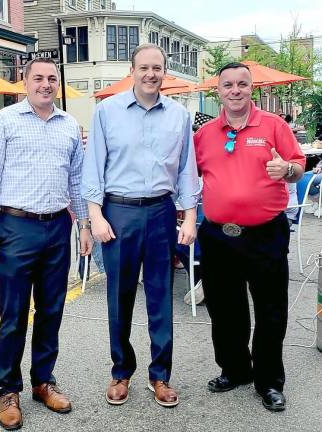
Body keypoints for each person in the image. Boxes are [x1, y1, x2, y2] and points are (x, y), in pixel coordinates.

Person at [0, 57, 92, 430]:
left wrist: (84, 225)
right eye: (38, 78)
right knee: (13, 315)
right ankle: (8, 390)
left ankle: (43, 380)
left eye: (51, 78)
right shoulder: (4, 121)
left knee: (51, 310)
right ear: (23, 82)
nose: (45, 84)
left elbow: (76, 181)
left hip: (58, 227)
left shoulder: (69, 125)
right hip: (16, 226)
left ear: (57, 84)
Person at [81, 43, 200, 408]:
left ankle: (160, 375)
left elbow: (186, 170)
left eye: (157, 68)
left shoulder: (179, 116)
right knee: (120, 297)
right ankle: (121, 370)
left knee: (161, 295)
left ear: (165, 72)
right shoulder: (107, 111)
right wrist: (96, 215)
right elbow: (93, 166)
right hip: (118, 212)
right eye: (144, 67)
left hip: (162, 212)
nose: (151, 74)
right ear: (131, 71)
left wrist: (190, 216)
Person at [194, 62, 305, 412]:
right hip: (217, 236)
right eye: (228, 85)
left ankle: (269, 381)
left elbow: (299, 165)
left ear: (251, 88)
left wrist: (287, 170)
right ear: (219, 91)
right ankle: (236, 369)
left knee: (271, 309)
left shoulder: (274, 126)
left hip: (265, 235)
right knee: (225, 309)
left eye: (242, 84)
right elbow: (187, 176)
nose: (235, 90)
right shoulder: (205, 135)